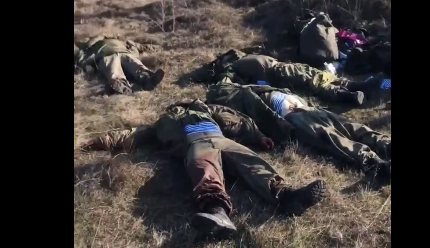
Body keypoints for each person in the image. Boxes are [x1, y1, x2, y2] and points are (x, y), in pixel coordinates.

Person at [82, 99, 327, 237]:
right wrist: (99, 141)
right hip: (195, 144)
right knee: (203, 166)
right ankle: (217, 212)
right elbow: (129, 134)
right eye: (175, 107)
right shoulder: (161, 124)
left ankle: (288, 197)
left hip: (221, 139)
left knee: (253, 162)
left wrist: (259, 136)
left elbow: (236, 120)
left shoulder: (205, 110)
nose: (179, 108)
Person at [207, 80, 391, 179]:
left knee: (351, 126)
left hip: (307, 108)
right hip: (292, 117)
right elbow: (243, 121)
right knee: (331, 137)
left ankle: (386, 144)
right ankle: (376, 164)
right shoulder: (239, 101)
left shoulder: (254, 87)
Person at [203, 49, 383, 106]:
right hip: (278, 73)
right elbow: (229, 87)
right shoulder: (231, 70)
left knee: (319, 74)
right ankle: (347, 96)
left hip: (284, 66)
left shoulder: (241, 56)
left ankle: (358, 85)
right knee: (313, 81)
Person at [74, 36, 165, 95]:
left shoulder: (124, 42)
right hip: (107, 55)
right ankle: (122, 87)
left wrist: (159, 47)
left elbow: (142, 46)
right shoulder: (94, 44)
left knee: (137, 65)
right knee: (114, 72)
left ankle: (149, 80)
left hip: (125, 53)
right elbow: (81, 53)